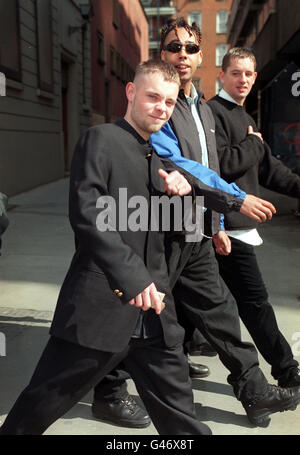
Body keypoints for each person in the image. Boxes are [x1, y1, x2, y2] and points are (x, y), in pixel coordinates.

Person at [91, 18, 300, 429]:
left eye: (190, 48)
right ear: (161, 53)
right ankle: (108, 393)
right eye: (173, 47)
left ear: (201, 56)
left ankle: (254, 391)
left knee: (220, 311)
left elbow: (209, 166)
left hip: (197, 229)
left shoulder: (200, 108)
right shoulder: (162, 103)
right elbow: (178, 165)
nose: (182, 55)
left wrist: (218, 222)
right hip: (158, 230)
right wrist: (236, 199)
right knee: (137, 314)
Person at [0, 60, 212, 435]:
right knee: (38, 407)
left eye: (168, 101)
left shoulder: (162, 161)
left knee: (183, 420)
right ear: (131, 93)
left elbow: (173, 236)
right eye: (152, 97)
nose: (161, 108)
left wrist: (185, 196)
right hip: (101, 309)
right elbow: (89, 215)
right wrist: (133, 279)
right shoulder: (100, 140)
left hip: (156, 318)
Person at [207, 47, 300, 388]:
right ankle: (287, 371)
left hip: (238, 228)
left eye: (248, 73)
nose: (242, 79)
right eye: (235, 72)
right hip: (226, 227)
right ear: (222, 74)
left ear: (255, 77)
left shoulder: (246, 119)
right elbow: (219, 168)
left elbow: (270, 171)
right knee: (255, 303)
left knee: (203, 305)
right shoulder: (211, 113)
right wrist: (252, 145)